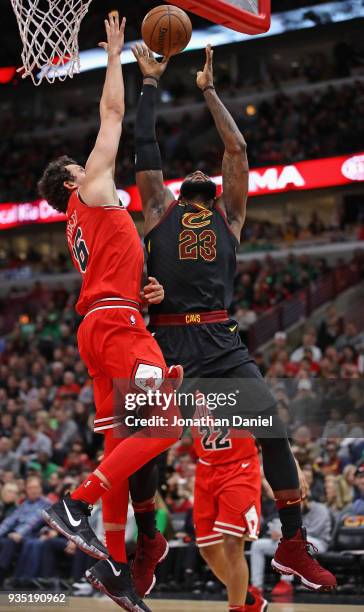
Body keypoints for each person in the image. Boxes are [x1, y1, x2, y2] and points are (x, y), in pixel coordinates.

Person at [130, 42, 336, 593]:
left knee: (272, 429)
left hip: (220, 342)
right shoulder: (158, 211)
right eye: (190, 170)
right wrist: (148, 83)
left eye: (207, 171)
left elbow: (238, 148)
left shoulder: (232, 218)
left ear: (214, 189)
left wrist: (209, 92)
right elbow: (144, 147)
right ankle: (148, 537)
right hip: (167, 343)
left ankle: (292, 543)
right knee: (140, 443)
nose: (199, 169)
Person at [39, 14, 183, 612]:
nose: (90, 160)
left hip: (100, 324)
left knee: (123, 442)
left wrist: (142, 287)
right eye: (82, 161)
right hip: (118, 327)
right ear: (74, 177)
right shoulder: (91, 189)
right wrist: (118, 54)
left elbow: (115, 265)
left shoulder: (79, 218)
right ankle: (75, 504)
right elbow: (113, 118)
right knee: (164, 426)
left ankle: (116, 570)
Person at [192, 398, 267, 612]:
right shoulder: (187, 383)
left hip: (239, 466)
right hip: (206, 469)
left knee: (233, 544)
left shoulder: (237, 377)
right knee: (207, 549)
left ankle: (237, 608)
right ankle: (251, 601)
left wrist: (293, 465)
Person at [250, 492, 331, 597]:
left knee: (293, 540)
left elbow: (314, 531)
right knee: (257, 545)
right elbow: (281, 525)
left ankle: (286, 583)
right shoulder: (292, 510)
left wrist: (287, 534)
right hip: (292, 542)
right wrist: (275, 533)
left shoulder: (320, 509)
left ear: (305, 500)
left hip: (317, 543)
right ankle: (257, 586)